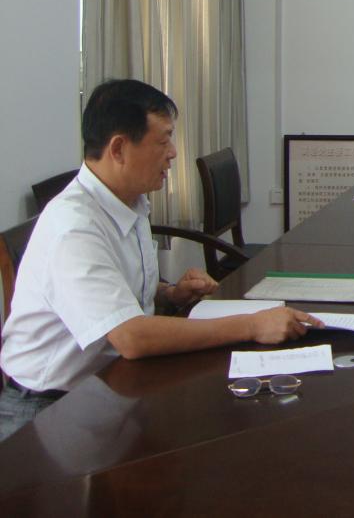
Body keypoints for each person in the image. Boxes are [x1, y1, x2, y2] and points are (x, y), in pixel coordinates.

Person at [0, 79, 320, 442]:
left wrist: (170, 294)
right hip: (46, 410)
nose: (173, 153)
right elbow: (132, 337)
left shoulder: (129, 200)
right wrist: (253, 325)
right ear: (119, 148)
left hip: (111, 384)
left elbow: (116, 290)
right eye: (163, 140)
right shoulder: (74, 227)